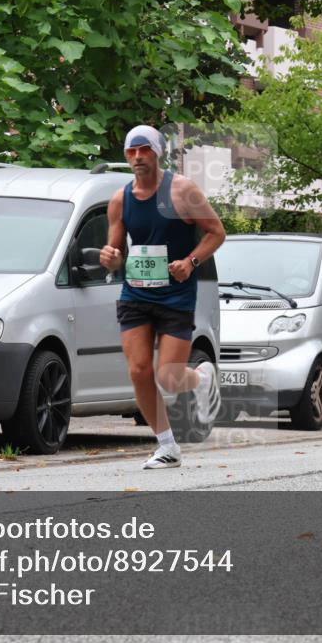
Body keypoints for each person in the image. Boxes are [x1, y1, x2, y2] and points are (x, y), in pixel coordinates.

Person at [100, 125, 226, 468]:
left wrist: (191, 261)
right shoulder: (120, 199)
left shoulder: (182, 191)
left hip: (176, 296)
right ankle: (167, 446)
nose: (138, 157)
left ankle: (201, 378)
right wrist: (110, 257)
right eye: (131, 151)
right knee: (139, 371)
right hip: (136, 294)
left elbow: (217, 232)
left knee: (169, 376)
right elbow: (116, 249)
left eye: (144, 150)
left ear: (157, 153)